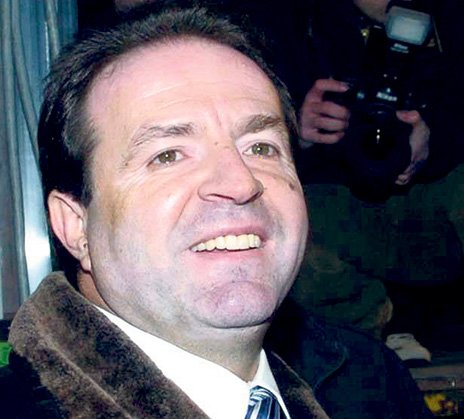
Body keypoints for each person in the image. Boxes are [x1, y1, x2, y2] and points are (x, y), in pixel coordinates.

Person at [0, 4, 431, 418]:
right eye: (168, 155)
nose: (240, 183)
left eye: (261, 148)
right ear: (75, 226)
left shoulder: (372, 384)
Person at [248, 0, 464, 418]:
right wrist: (290, 126)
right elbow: (234, 127)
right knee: (285, 214)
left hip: (446, 209)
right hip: (338, 208)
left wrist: (435, 135)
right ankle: (359, 384)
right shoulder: (289, 19)